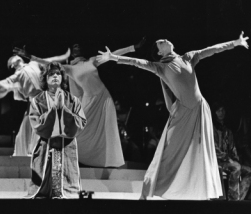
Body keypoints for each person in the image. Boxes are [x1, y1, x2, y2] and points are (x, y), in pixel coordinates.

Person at [96, 31, 249, 200]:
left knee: (200, 152)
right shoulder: (160, 67)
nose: (164, 39)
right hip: (182, 114)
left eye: (164, 39)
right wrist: (114, 57)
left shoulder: (188, 57)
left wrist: (235, 43)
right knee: (167, 154)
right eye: (160, 42)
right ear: (160, 52)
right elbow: (136, 62)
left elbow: (212, 49)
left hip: (199, 109)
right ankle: (146, 192)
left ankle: (203, 195)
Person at [13, 38, 146, 167]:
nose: (77, 47)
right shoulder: (70, 68)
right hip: (89, 99)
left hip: (104, 98)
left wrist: (133, 47)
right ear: (72, 51)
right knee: (77, 129)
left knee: (108, 130)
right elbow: (45, 63)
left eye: (79, 46)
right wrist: (28, 55)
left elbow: (113, 55)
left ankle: (107, 161)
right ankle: (64, 155)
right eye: (74, 46)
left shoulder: (91, 61)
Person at [0, 50, 70, 156]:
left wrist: (64, 57)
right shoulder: (17, 75)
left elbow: (49, 61)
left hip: (45, 98)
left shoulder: (33, 64)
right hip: (35, 101)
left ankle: (37, 150)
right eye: (14, 59)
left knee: (37, 125)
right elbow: (3, 84)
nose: (17, 58)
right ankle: (26, 151)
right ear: (13, 65)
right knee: (29, 127)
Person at [26, 62, 86, 199]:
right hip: (46, 144)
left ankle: (63, 191)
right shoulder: (38, 101)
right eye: (51, 74)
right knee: (43, 189)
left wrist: (63, 110)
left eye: (58, 73)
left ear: (62, 78)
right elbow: (35, 123)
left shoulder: (72, 100)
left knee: (66, 189)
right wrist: (53, 110)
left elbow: (81, 122)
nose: (55, 76)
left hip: (66, 145)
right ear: (45, 79)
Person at [212, 102, 251, 200]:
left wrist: (235, 159)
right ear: (215, 112)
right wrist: (227, 158)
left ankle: (239, 199)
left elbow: (232, 148)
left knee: (249, 171)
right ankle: (232, 199)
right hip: (218, 161)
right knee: (236, 168)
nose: (221, 112)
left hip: (229, 162)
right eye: (219, 110)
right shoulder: (211, 129)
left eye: (223, 110)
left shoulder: (228, 130)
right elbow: (214, 149)